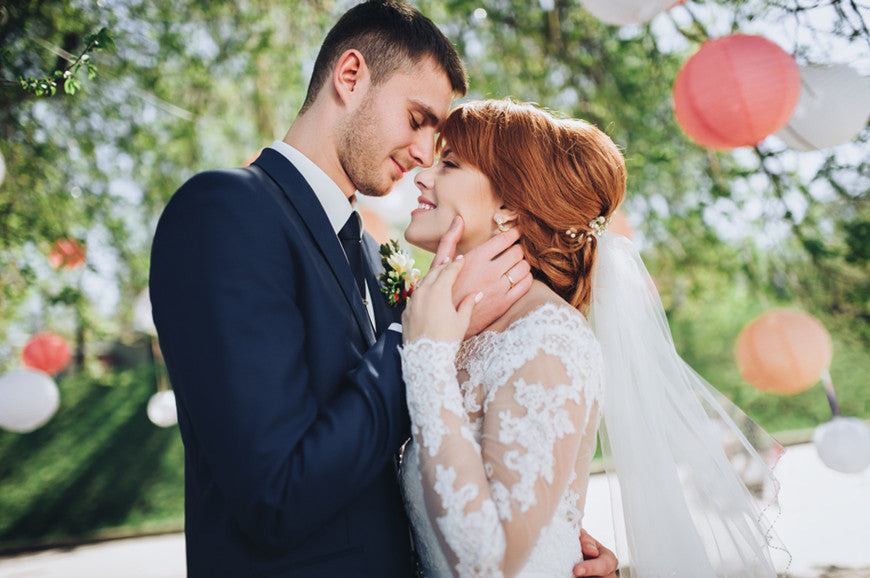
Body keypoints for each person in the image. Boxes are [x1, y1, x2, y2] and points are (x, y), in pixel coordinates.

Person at [149, 1, 618, 576]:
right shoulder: (227, 211)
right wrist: (416, 338)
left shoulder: (378, 260)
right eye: (418, 119)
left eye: (443, 147)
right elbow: (275, 492)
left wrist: (549, 532)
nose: (424, 156)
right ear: (350, 76)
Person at [398, 99, 784, 576]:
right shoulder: (457, 330)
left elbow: (489, 562)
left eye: (450, 163)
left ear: (509, 208)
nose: (422, 175)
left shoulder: (548, 338)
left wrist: (426, 359)